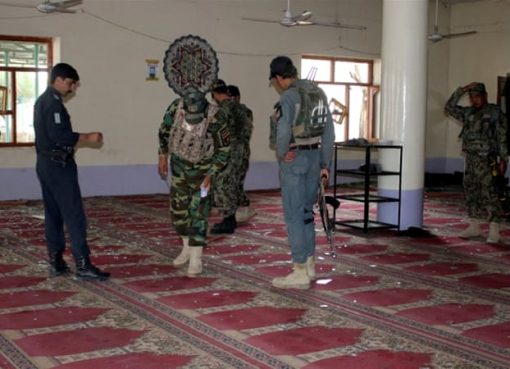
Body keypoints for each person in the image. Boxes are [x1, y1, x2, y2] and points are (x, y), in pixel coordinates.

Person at [34, 62, 110, 281]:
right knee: (74, 214)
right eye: (70, 84)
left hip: (46, 163)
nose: (72, 89)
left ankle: (56, 261)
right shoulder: (53, 104)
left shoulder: (42, 101)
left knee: (54, 213)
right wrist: (88, 137)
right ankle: (83, 264)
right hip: (58, 166)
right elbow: (60, 136)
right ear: (58, 80)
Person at [268, 56, 335, 289]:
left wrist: (281, 152)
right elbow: (329, 133)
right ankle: (310, 264)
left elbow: (283, 129)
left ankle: (298, 271)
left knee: (294, 215)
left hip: (295, 160)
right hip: (315, 157)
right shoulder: (319, 93)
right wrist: (325, 164)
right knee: (307, 212)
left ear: (278, 77)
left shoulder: (287, 97)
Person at [158, 88, 231, 276]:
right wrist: (162, 155)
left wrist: (210, 174)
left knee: (199, 211)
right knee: (178, 212)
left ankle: (196, 258)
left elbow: (224, 149)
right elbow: (164, 131)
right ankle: (186, 247)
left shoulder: (216, 116)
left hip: (204, 171)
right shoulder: (175, 108)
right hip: (179, 168)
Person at [444, 82, 508, 243]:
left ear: (485, 96)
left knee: (490, 192)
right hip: (471, 159)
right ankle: (474, 226)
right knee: (471, 191)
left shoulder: (494, 112)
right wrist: (462, 89)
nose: (474, 100)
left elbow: (502, 136)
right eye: (471, 97)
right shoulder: (468, 113)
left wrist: (503, 159)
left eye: (477, 96)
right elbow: (449, 108)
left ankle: (494, 229)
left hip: (488, 160)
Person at [209, 79, 245, 234]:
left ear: (215, 94)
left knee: (223, 185)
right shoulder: (241, 108)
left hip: (227, 151)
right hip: (240, 151)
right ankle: (230, 219)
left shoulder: (222, 110)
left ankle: (228, 221)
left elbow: (214, 131)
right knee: (232, 183)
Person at [227, 84, 257, 223]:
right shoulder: (231, 110)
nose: (229, 101)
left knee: (235, 181)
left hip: (238, 152)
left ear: (237, 97)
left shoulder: (243, 111)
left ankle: (243, 207)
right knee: (231, 181)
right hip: (231, 151)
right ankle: (239, 207)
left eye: (231, 97)